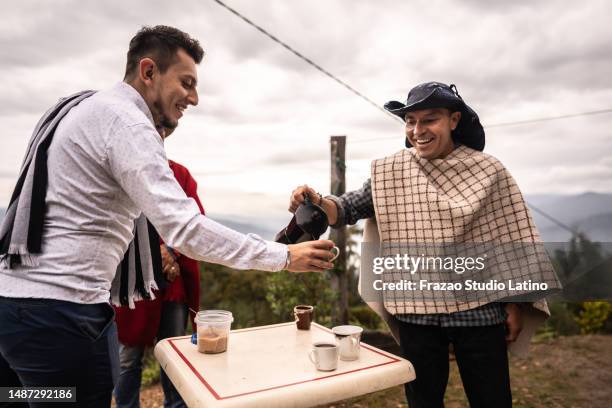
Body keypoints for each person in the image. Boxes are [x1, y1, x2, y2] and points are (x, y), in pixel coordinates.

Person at [0, 25, 335, 407]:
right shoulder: (126, 122)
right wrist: (285, 257)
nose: (194, 97)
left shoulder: (80, 110)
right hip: (62, 320)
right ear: (148, 72)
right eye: (187, 82)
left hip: (12, 311)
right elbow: (185, 228)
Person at [289, 82, 559, 408]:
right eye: (410, 120)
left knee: (492, 399)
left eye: (430, 119)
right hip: (416, 314)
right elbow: (347, 208)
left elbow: (512, 237)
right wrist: (318, 201)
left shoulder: (490, 171)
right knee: (423, 401)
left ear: (454, 120)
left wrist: (517, 304)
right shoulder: (392, 171)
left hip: (480, 312)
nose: (418, 130)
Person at [113, 126, 202, 408]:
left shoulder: (180, 175)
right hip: (132, 284)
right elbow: (112, 225)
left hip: (171, 283)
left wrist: (172, 252)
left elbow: (194, 221)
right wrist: (154, 252)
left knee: (173, 356)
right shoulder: (121, 176)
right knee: (128, 358)